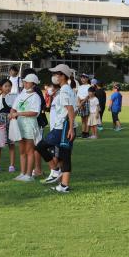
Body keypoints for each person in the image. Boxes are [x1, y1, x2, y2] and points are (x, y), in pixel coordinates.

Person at [36, 64, 76, 193]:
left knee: (42, 147)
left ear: (63, 76)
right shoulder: (65, 89)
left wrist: (70, 128)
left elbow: (69, 109)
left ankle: (57, 175)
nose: (55, 76)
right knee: (64, 156)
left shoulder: (65, 90)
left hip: (62, 128)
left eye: (57, 74)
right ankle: (63, 183)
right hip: (63, 127)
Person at [11, 73, 43, 181]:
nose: (24, 83)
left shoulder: (36, 97)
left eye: (27, 82)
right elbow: (14, 107)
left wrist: (18, 114)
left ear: (33, 84)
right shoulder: (21, 94)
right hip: (19, 124)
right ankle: (22, 173)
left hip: (29, 125)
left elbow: (34, 112)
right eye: (24, 81)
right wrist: (12, 113)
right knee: (21, 150)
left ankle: (29, 175)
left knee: (29, 150)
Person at [0, 79, 17, 173]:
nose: (8, 88)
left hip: (11, 122)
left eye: (9, 86)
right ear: (1, 87)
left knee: (11, 144)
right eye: (5, 86)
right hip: (0, 122)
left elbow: (15, 110)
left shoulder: (14, 98)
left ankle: (12, 166)